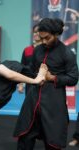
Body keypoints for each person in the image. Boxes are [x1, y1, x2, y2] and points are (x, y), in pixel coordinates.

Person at [14, 18, 79, 150]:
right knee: (24, 140)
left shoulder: (66, 53)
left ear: (56, 34)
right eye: (41, 38)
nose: (43, 42)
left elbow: (73, 78)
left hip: (53, 105)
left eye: (47, 38)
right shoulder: (38, 50)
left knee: (52, 143)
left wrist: (52, 77)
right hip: (32, 102)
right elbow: (31, 69)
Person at [18, 24, 42, 94]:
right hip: (30, 84)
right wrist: (20, 84)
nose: (36, 34)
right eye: (35, 32)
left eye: (38, 32)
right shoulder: (27, 50)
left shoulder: (47, 50)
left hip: (44, 84)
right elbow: (22, 68)